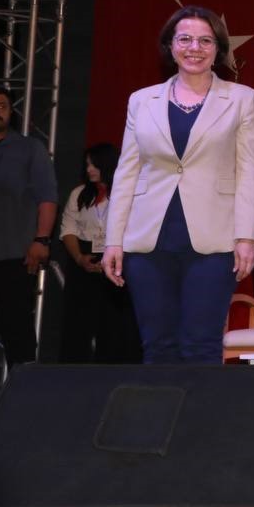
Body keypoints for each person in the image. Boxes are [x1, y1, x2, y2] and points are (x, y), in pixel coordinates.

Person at [102, 6, 254, 364]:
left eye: (205, 41)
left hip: (215, 240)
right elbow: (127, 171)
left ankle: (200, 406)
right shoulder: (141, 100)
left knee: (201, 345)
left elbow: (249, 170)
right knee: (157, 346)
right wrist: (113, 240)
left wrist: (247, 236)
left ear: (218, 49)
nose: (195, 48)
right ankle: (160, 405)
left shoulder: (241, 99)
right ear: (170, 46)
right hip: (148, 240)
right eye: (185, 39)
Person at [60, 143, 142, 363]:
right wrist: (79, 258)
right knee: (77, 321)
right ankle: (72, 371)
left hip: (118, 258)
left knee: (114, 322)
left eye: (94, 164)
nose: (89, 169)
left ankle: (113, 370)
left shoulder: (127, 193)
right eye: (87, 165)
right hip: (85, 257)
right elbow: (68, 228)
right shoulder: (79, 194)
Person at [0, 86, 56, 370]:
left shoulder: (30, 149)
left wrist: (41, 240)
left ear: (11, 111)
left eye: (2, 106)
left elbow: (47, 197)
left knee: (16, 328)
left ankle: (24, 389)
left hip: (14, 254)